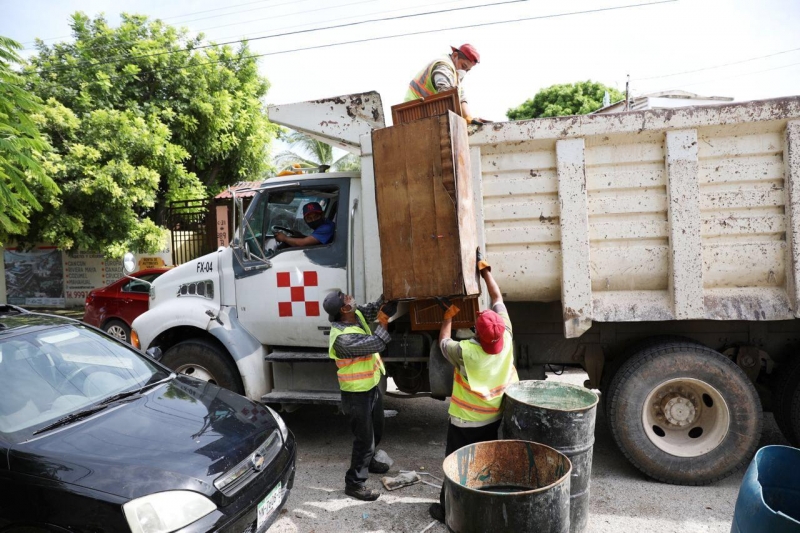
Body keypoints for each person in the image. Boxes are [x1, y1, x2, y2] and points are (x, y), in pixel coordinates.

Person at [429, 249, 519, 523]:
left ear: (476, 333)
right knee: (482, 463)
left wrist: (448, 315)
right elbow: (497, 298)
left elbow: (443, 342)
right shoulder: (507, 336)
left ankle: (446, 511)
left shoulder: (466, 352)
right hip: (493, 417)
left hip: (465, 421)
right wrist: (485, 271)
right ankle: (481, 506)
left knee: (456, 463)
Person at [323, 290, 398, 501]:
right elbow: (377, 343)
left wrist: (390, 295)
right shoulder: (342, 338)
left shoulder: (356, 314)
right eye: (345, 297)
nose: (350, 296)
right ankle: (354, 483)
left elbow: (374, 308)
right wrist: (384, 319)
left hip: (370, 385)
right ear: (344, 309)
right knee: (364, 440)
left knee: (377, 429)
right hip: (356, 393)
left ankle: (369, 461)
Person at [405, 43, 489, 124]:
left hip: (424, 113)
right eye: (463, 66)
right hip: (412, 112)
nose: (464, 71)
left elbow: (461, 98)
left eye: (467, 70)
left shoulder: (455, 76)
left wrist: (468, 118)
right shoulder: (443, 65)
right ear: (455, 56)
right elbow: (445, 90)